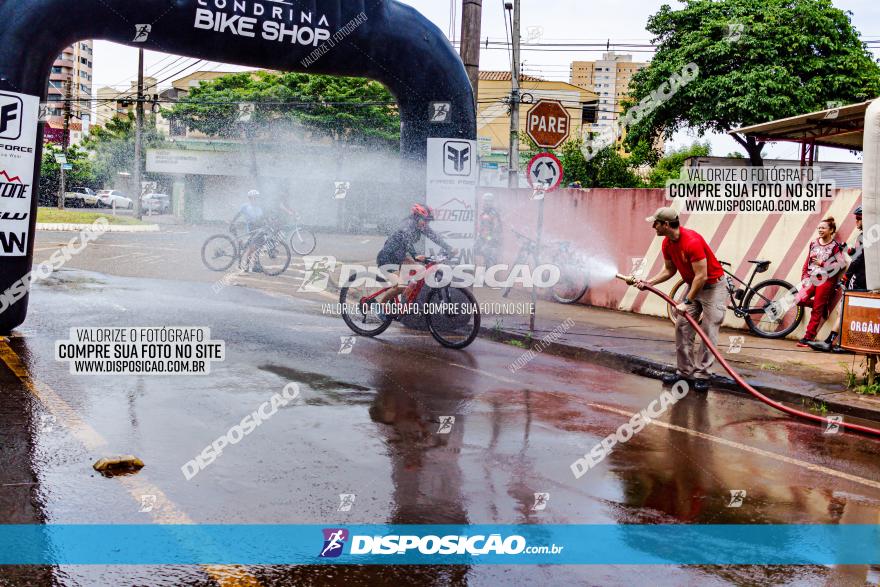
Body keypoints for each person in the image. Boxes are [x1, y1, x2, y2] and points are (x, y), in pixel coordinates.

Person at [632, 207, 726, 392]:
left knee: (708, 330)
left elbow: (702, 276)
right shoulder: (667, 243)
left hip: (713, 287)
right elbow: (669, 270)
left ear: (666, 225)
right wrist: (648, 282)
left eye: (656, 223)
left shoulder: (692, 241)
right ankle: (685, 373)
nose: (653, 226)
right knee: (682, 326)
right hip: (694, 285)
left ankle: (702, 375)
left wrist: (687, 302)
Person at [374, 203, 454, 318]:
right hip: (387, 258)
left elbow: (434, 236)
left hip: (400, 257)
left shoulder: (421, 226)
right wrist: (415, 255)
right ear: (417, 217)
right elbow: (406, 240)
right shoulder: (408, 225)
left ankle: (405, 302)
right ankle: (380, 307)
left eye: (428, 221)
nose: (426, 223)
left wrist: (449, 248)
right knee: (401, 286)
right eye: (425, 220)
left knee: (420, 271)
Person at [808, 207, 863, 353]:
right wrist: (847, 249)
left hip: (859, 279)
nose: (856, 221)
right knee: (846, 310)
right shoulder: (862, 237)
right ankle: (837, 343)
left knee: (847, 310)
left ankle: (837, 343)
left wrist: (846, 276)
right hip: (859, 279)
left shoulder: (863, 237)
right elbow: (858, 255)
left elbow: (857, 261)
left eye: (859, 218)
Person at [796, 216, 846, 348]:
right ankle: (823, 307)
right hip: (812, 278)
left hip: (826, 280)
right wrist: (804, 276)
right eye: (819, 227)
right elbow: (807, 261)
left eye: (823, 228)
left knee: (816, 310)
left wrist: (822, 263)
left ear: (831, 230)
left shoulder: (835, 246)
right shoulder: (813, 243)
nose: (820, 230)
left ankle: (808, 337)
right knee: (799, 299)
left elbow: (841, 264)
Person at [238, 189, 265, 273]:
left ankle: (256, 264)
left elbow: (261, 218)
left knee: (259, 245)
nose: (256, 199)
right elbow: (238, 214)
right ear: (250, 198)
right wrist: (232, 222)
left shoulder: (259, 208)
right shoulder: (245, 206)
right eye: (254, 197)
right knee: (252, 247)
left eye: (257, 198)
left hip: (258, 228)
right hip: (251, 227)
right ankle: (246, 264)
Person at [475, 192, 502, 267]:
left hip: (491, 243)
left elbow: (495, 232)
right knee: (479, 256)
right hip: (483, 240)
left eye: (489, 201)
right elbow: (482, 228)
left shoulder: (494, 214)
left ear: (492, 202)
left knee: (490, 264)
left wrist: (488, 242)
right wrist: (479, 238)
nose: (486, 203)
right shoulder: (483, 213)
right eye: (485, 201)